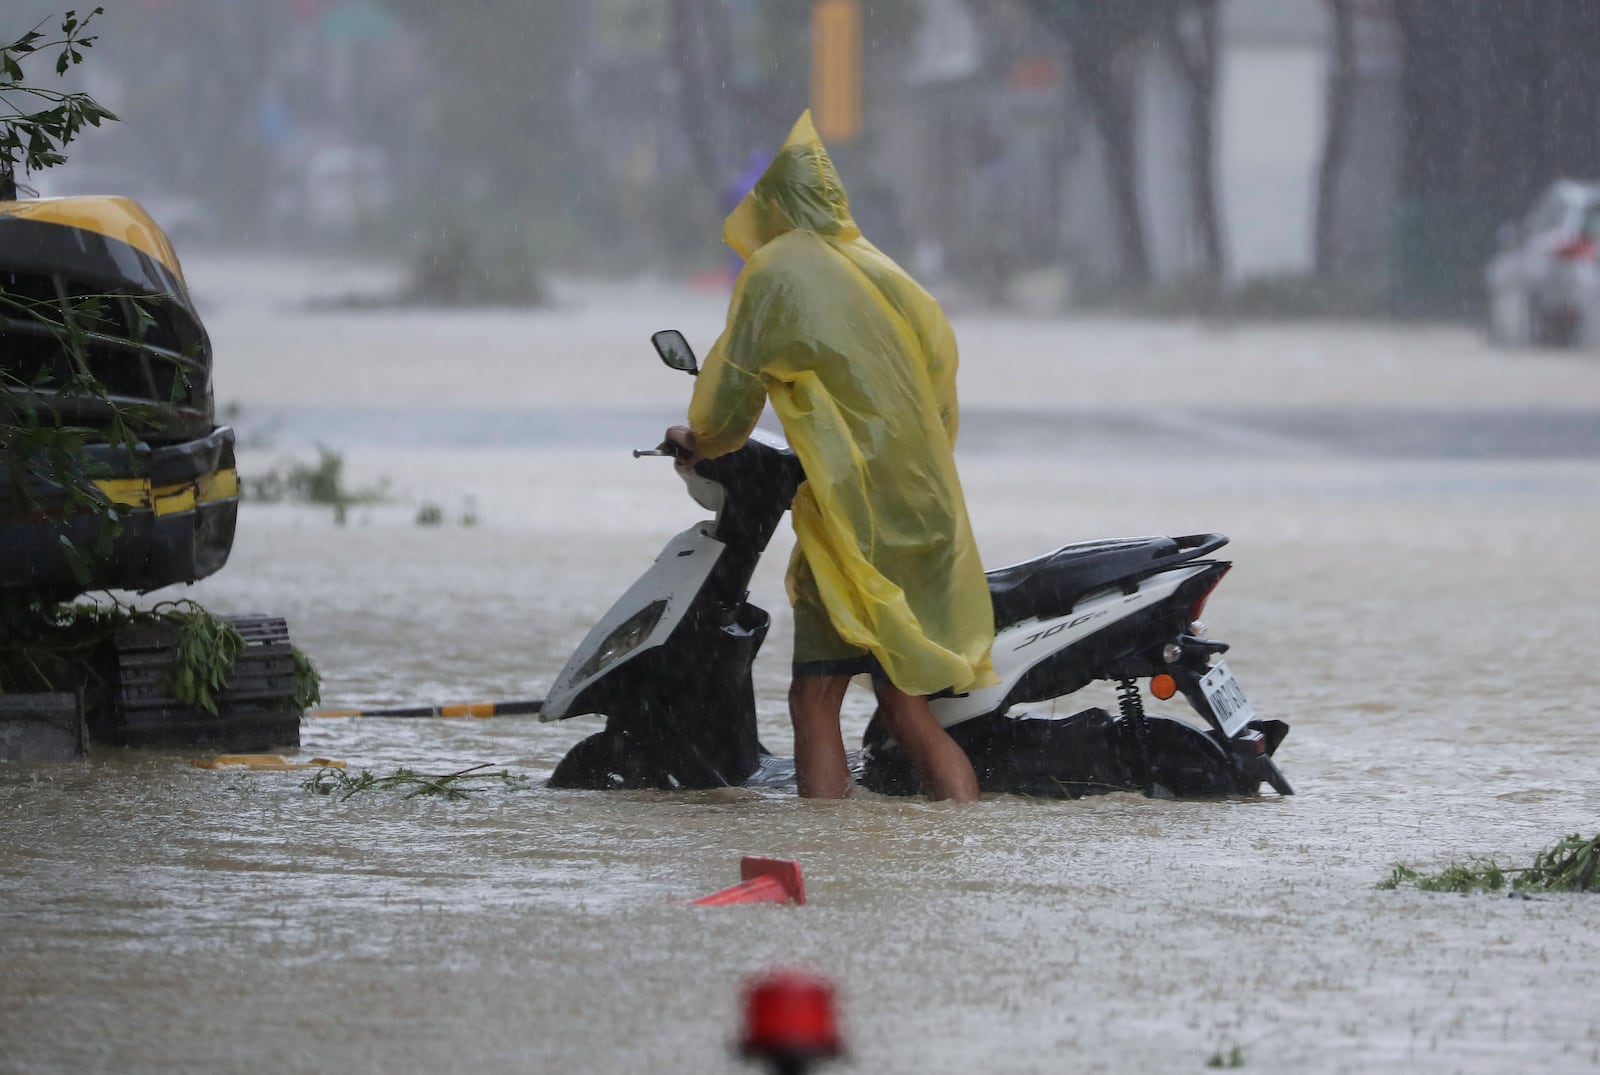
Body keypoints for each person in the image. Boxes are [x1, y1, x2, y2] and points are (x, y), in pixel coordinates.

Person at [663, 112, 996, 802]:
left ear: (775, 207)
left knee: (814, 701)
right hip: (927, 506)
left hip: (854, 518)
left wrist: (699, 442)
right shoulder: (887, 273)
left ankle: (828, 860)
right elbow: (940, 390)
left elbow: (729, 402)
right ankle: (966, 845)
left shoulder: (776, 273)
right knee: (907, 708)